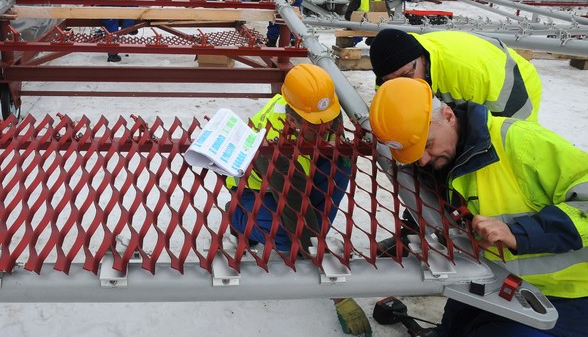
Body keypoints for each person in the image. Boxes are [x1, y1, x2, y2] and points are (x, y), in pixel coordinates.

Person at [369, 77, 587, 337]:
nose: (424, 160)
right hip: (491, 279)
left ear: (449, 116)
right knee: (454, 328)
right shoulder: (437, 161)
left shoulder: (520, 143)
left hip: (566, 295)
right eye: (413, 153)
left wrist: (517, 232)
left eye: (427, 144)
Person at [227, 63, 371, 336]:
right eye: (317, 124)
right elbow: (297, 211)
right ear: (292, 120)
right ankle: (237, 216)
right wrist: (338, 294)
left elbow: (330, 129)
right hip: (257, 190)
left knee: (340, 164)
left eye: (328, 117)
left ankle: (315, 238)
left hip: (301, 170)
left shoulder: (319, 107)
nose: (327, 124)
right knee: (289, 238)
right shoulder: (273, 144)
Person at [369, 29, 542, 121]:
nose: (402, 86)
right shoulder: (391, 71)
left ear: (422, 58)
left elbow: (518, 131)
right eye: (392, 82)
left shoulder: (469, 74)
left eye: (407, 75)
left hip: (513, 83)